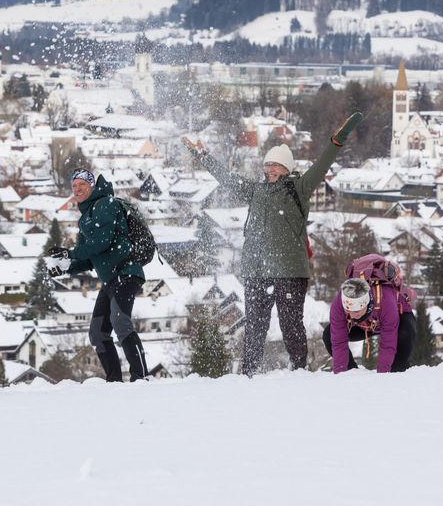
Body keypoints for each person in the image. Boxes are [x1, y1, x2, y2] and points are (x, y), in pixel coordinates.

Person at [182, 112, 362, 375]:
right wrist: (203, 155)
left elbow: (323, 164)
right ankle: (248, 374)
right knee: (254, 326)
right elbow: (227, 178)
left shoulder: (299, 188)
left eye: (275, 165)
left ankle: (298, 370)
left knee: (291, 325)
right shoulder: (254, 190)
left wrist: (338, 139)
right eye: (267, 165)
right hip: (256, 271)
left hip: (289, 270)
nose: (270, 169)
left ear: (287, 169)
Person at [47, 169, 148, 382]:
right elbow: (89, 257)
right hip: (111, 279)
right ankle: (114, 381)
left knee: (120, 322)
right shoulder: (85, 219)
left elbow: (102, 242)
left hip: (126, 273)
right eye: (74, 186)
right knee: (98, 333)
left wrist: (69, 253)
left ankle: (141, 378)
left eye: (82, 184)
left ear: (92, 186)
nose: (77, 189)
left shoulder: (105, 204)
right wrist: (65, 267)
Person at [324, 277, 416, 373]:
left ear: (366, 303)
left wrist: (382, 375)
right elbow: (338, 342)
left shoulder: (386, 301)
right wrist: (341, 374)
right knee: (329, 334)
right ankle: (350, 372)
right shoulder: (338, 304)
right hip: (364, 324)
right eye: (347, 310)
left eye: (356, 311)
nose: (351, 315)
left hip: (397, 320)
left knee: (406, 332)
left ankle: (397, 373)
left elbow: (388, 344)